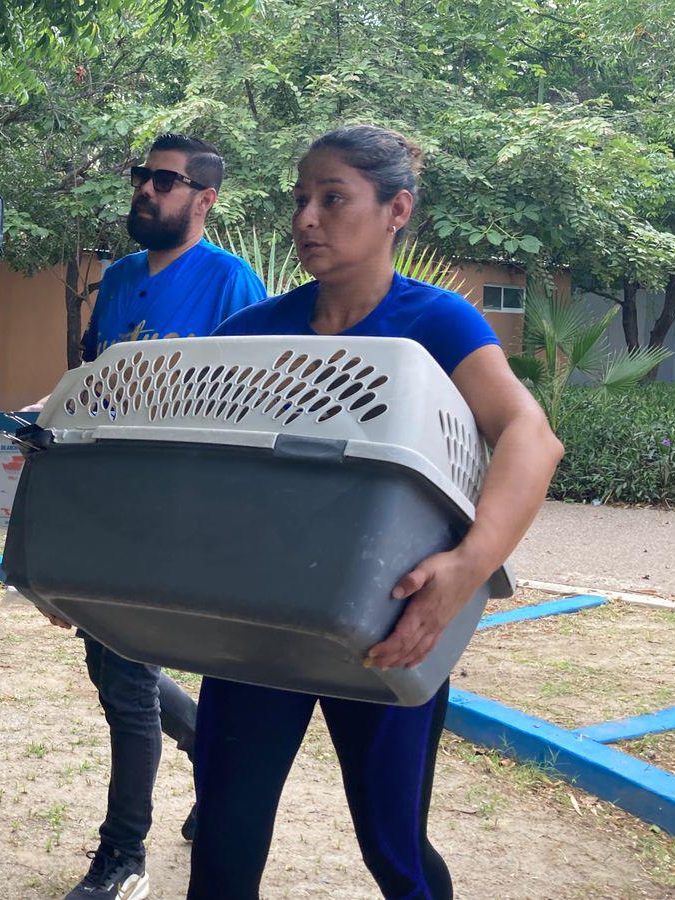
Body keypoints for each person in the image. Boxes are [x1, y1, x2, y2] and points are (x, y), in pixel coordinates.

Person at [186, 125, 564, 899]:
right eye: (300, 201)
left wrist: (465, 570)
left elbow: (530, 437)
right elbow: (187, 457)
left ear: (396, 209)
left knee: (394, 849)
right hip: (259, 628)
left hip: (387, 626)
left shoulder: (438, 323)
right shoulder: (255, 332)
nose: (306, 220)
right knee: (223, 840)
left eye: (333, 199)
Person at [47, 134, 269, 900]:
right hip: (112, 509)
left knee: (129, 679)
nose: (145, 189)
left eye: (165, 181)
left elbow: (258, 408)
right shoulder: (115, 281)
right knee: (109, 667)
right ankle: (214, 761)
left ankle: (123, 857)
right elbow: (93, 388)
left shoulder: (232, 282)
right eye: (141, 175)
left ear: (204, 200)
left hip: (184, 516)